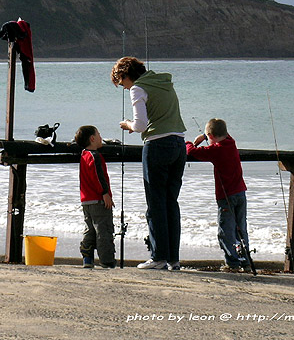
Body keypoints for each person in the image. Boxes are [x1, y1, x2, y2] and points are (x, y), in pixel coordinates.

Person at [111, 57, 186, 271]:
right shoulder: (164, 83)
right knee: (171, 202)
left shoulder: (138, 88)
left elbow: (141, 125)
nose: (125, 88)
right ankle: (173, 259)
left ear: (125, 75)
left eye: (122, 83)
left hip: (157, 145)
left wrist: (128, 125)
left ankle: (159, 256)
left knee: (155, 203)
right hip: (179, 144)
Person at [186, 118, 251, 272]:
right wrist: (206, 135)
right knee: (240, 228)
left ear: (211, 136)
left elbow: (191, 151)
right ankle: (245, 261)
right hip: (240, 193)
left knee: (225, 231)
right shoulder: (231, 142)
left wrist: (191, 142)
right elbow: (222, 136)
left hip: (226, 197)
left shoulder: (216, 150)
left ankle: (232, 263)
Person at [74, 125, 116, 269]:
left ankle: (87, 258)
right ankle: (107, 260)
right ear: (92, 139)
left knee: (90, 230)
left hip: (86, 200)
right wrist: (105, 193)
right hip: (98, 199)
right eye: (98, 134)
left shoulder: (84, 154)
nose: (101, 137)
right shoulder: (94, 156)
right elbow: (99, 177)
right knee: (104, 230)